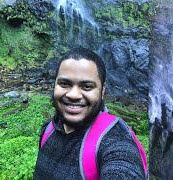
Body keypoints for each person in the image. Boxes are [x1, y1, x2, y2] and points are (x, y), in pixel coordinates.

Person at [34, 47, 146, 179]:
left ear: (102, 91)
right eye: (64, 84)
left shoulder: (115, 142)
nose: (73, 95)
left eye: (87, 86)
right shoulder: (48, 129)